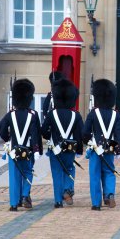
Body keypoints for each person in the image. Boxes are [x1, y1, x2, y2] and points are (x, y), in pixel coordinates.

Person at [83, 79, 120, 211]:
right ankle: (109, 194)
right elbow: (119, 132)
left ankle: (96, 203)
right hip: (110, 148)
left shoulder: (93, 113)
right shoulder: (115, 114)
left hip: (96, 149)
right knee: (109, 172)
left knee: (95, 175)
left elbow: (85, 133)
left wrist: (88, 141)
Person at [0, 78, 41, 212]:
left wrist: (7, 139)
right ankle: (25, 195)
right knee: (28, 172)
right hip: (27, 150)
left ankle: (14, 204)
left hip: (13, 150)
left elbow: (0, 128)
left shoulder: (10, 115)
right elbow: (35, 134)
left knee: (14, 176)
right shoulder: (33, 115)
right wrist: (37, 150)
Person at [41, 78, 84, 208]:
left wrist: (50, 137)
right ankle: (67, 190)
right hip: (70, 148)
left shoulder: (51, 114)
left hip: (55, 149)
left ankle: (58, 201)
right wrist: (79, 150)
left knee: (56, 173)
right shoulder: (76, 115)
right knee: (70, 168)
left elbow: (43, 131)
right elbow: (79, 134)